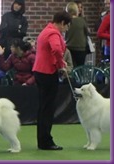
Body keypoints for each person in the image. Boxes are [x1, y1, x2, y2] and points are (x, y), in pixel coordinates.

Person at [32, 11, 71, 150]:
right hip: (48, 73)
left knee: (43, 107)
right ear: (62, 23)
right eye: (66, 26)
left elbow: (48, 51)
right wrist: (61, 65)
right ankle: (46, 141)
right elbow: (56, 49)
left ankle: (42, 140)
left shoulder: (45, 30)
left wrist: (60, 62)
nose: (66, 29)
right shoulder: (54, 33)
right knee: (48, 108)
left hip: (39, 71)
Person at [65, 2, 89, 67]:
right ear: (76, 10)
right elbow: (87, 33)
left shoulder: (66, 21)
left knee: (70, 67)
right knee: (80, 69)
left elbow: (65, 35)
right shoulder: (82, 20)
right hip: (81, 49)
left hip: (69, 47)